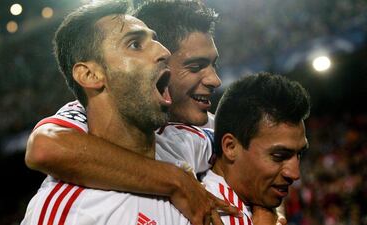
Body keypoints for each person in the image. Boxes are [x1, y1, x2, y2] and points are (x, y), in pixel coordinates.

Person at [25, 1, 239, 224]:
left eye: (155, 41)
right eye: (136, 45)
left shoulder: (185, 139)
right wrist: (176, 180)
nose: (163, 52)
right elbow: (46, 146)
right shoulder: (73, 210)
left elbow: (249, 154)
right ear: (89, 75)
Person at [200, 72, 311, 224]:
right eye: (279, 156)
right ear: (230, 147)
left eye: (299, 154)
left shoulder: (253, 196)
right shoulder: (204, 214)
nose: (295, 174)